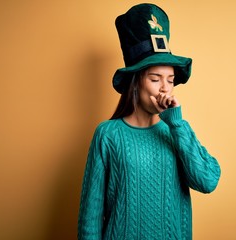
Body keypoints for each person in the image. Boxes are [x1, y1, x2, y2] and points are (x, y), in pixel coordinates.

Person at [78, 3, 221, 240]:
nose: (165, 88)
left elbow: (207, 181)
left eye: (171, 80)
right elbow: (90, 218)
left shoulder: (176, 132)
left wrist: (176, 124)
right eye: (155, 79)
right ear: (136, 82)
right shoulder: (108, 134)